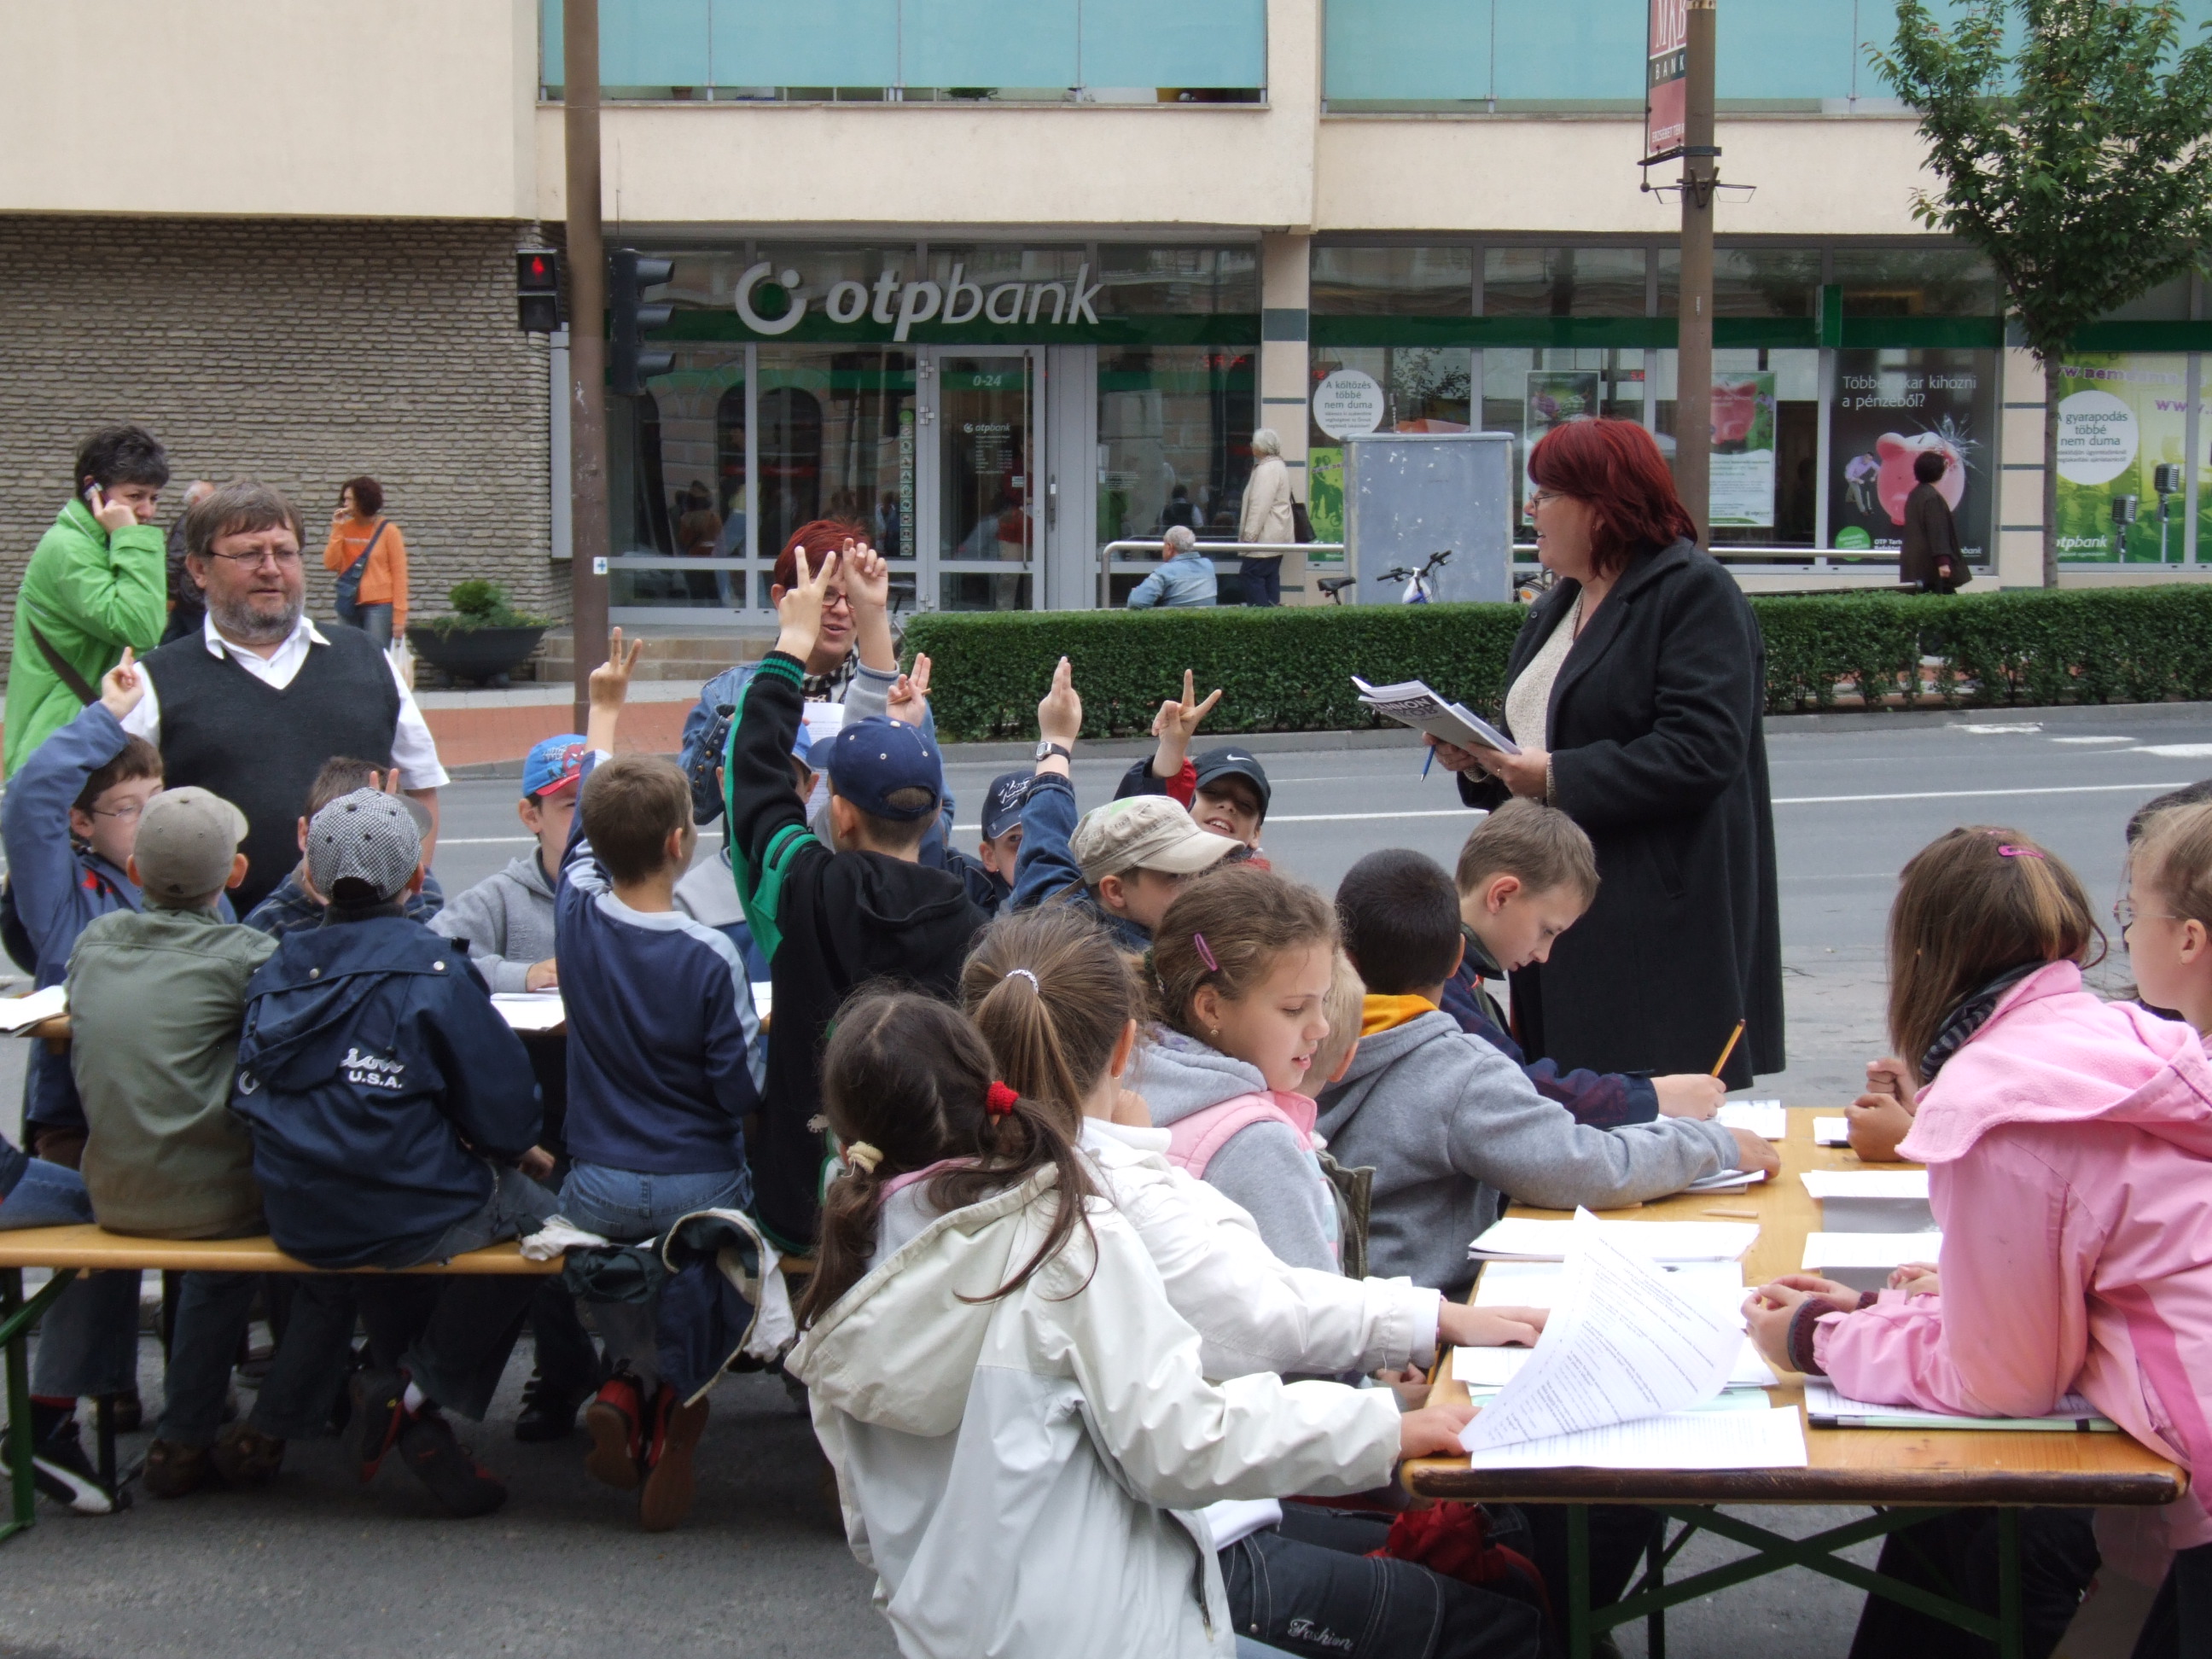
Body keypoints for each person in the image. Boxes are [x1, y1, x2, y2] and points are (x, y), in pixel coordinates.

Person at [783, 988, 1487, 1659]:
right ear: (987, 1090)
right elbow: (1182, 1438)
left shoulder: (843, 1288)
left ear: (846, 1141)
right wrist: (1383, 1428)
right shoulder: (1061, 1240)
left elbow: (867, 1525)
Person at [962, 907, 1555, 1658]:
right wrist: (1393, 1407)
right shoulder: (1103, 1204)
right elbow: (1217, 1379)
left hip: (1051, 1575)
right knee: (1497, 1615)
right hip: (1146, 1565)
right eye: (1297, 1008)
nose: (1321, 1030)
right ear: (1127, 1045)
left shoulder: (954, 1194)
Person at [1739, 825, 2211, 1659]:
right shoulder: (2130, 1043)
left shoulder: (1997, 1107)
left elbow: (2008, 1380)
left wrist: (1818, 1339)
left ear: (1922, 956)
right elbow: (2097, 1286)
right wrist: (1881, 1311)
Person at [1427, 416, 1784, 1089]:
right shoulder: (1558, 604)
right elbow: (1542, 736)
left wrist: (1555, 775)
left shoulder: (1691, 591)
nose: (1530, 511)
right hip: (1553, 904)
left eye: (1545, 495)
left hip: (1648, 916)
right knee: (1567, 1098)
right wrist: (1480, 759)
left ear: (1602, 504)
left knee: (1640, 1107)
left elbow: (1703, 750)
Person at [231, 789, 553, 1517]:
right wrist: (510, 1150)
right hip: (406, 1206)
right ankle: (413, 1393)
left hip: (298, 1209)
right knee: (550, 1226)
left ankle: (337, 1412)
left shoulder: (272, 969)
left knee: (376, 1216)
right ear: (415, 879)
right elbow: (506, 1115)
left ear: (312, 878)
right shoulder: (435, 971)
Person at [1319, 847, 1769, 1303]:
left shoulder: (1306, 1046)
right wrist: (1714, 1144)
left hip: (1348, 1307)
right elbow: (1586, 1167)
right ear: (1457, 959)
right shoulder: (1455, 1071)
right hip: (1430, 1312)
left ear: (1342, 956)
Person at [68, 786, 356, 1499]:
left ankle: (182, 1436)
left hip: (113, 1192)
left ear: (135, 871)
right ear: (236, 873)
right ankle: (271, 1423)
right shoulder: (248, 956)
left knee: (213, 1262)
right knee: (327, 1263)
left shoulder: (95, 943)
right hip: (219, 1200)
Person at [552, 636, 761, 1529]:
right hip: (698, 1180)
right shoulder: (710, 956)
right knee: (734, 1241)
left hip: (597, 1180)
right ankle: (680, 1383)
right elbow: (738, 1090)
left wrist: (602, 711)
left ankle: (628, 1381)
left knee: (617, 1250)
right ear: (681, 844)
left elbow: (581, 835)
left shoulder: (574, 916)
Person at [724, 546, 988, 1252]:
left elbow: (753, 784)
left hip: (803, 1205)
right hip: (925, 1212)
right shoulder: (974, 924)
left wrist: (789, 647)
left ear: (837, 814)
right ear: (931, 818)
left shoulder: (803, 887)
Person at [128, 479, 448, 916]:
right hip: (220, 942)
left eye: (284, 552)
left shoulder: (366, 659)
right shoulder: (155, 679)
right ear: (199, 569)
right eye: (248, 554)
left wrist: (407, 905)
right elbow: (123, 817)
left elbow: (421, 789)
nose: (270, 569)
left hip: (359, 937)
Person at [1447, 800, 1726, 1127]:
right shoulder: (1437, 979)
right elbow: (1519, 1092)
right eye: (1547, 931)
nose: (1544, 955)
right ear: (1502, 896)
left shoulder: (1452, 967)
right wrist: (1655, 1095)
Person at [1130, 864, 1347, 1272]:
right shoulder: (1257, 1146)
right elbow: (1316, 1305)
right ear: (1211, 1007)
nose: (1322, 1027)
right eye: (1294, 1009)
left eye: (1324, 1001)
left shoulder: (1124, 1074)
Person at [679, 522, 920, 832]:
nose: (841, 610)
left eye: (853, 598)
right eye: (826, 594)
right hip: (761, 860)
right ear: (782, 598)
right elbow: (693, 807)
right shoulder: (729, 691)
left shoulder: (894, 694)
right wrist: (738, 728)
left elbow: (933, 816)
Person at [1008, 659, 1238, 951]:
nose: (1195, 889)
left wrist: (1056, 741)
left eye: (1198, 873)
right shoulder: (1166, 966)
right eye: (1176, 876)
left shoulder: (1055, 920)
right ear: (1114, 890)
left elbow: (1047, 845)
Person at [4, 424, 171, 778]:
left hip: (77, 730)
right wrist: (131, 537)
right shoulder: (69, 549)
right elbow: (141, 627)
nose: (147, 511)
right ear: (92, 488)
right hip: (54, 738)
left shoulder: (103, 544)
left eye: (154, 498)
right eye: (135, 496)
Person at [428, 736, 583, 992]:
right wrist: (523, 976)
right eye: (572, 804)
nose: (591, 814)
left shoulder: (640, 890)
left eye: (603, 801)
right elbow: (426, 960)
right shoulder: (497, 899)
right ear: (531, 816)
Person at [242, 757, 445, 937]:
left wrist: (399, 891)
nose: (354, 860)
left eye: (373, 843)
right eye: (337, 843)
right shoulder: (268, 925)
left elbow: (430, 943)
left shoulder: (424, 894)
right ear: (304, 834)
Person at [322, 476, 409, 646]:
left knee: (375, 653)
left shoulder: (389, 531)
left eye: (350, 499)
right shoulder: (344, 528)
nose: (345, 504)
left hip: (379, 605)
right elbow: (330, 563)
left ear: (363, 500)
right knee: (350, 653)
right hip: (348, 601)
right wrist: (337, 529)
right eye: (344, 499)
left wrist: (400, 617)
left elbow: (400, 576)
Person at [1237, 428, 1295, 608]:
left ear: (1260, 447)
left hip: (1265, 536)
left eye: (1253, 443)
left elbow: (1259, 506)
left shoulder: (1266, 469)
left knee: (1251, 573)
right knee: (1270, 576)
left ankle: (1262, 616)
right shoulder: (1279, 466)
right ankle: (1272, 614)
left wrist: (1249, 536)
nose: (1251, 446)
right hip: (1277, 535)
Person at [1898, 449, 1967, 595]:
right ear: (1939, 472)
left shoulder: (1916, 494)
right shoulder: (1932, 498)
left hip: (1919, 567)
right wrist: (1943, 562)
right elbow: (1937, 530)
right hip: (1932, 569)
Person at [161, 480, 215, 645]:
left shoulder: (198, 522)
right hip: (190, 594)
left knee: (175, 633)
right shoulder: (188, 525)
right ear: (197, 500)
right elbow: (174, 559)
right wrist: (171, 594)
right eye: (210, 498)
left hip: (188, 594)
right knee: (197, 634)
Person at [1125, 524, 1217, 609]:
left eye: (1164, 544)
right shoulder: (1208, 565)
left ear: (1169, 547)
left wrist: (1136, 592)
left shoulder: (1165, 571)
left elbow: (1136, 602)